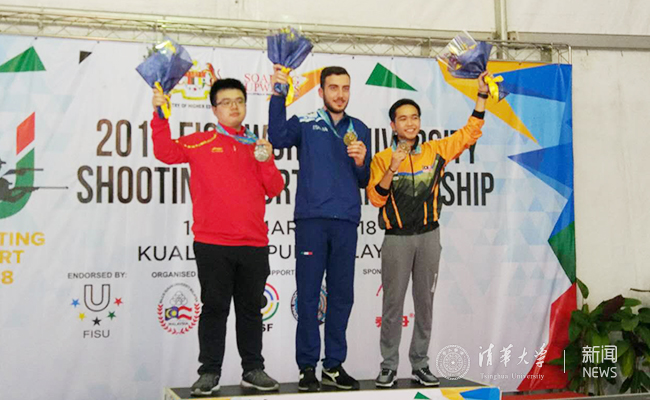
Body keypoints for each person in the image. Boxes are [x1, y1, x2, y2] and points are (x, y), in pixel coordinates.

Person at [151, 78, 284, 396]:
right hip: (213, 244)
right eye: (226, 102)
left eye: (239, 100)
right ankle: (209, 372)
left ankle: (253, 369)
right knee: (214, 309)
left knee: (251, 310)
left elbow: (275, 188)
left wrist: (266, 160)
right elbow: (165, 152)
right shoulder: (200, 142)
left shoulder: (257, 145)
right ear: (214, 109)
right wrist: (159, 115)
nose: (234, 107)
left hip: (254, 244)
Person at [367, 72, 490, 388]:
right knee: (392, 306)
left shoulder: (436, 151)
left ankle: (420, 364)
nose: (409, 123)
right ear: (392, 125)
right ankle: (388, 366)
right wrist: (393, 167)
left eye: (414, 117)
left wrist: (481, 96)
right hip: (396, 240)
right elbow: (376, 199)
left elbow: (470, 132)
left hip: (429, 237)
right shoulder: (381, 158)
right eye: (402, 119)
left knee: (424, 304)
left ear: (419, 122)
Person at [268, 65, 370, 391]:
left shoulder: (361, 128)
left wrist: (361, 162)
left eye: (345, 88)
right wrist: (279, 93)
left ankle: (334, 365)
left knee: (342, 297)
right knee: (309, 296)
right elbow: (277, 137)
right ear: (321, 91)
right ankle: (307, 366)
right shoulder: (306, 122)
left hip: (346, 221)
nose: (340, 94)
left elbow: (365, 180)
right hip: (312, 220)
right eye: (333, 88)